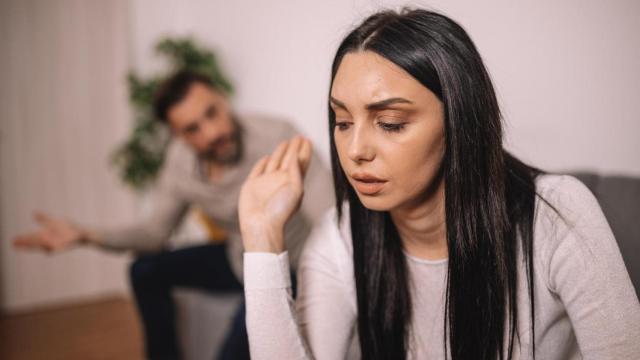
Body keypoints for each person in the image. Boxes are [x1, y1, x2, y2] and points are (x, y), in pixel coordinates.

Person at [238, 9, 640, 360]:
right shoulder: (340, 238)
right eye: (342, 122)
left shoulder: (556, 215)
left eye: (390, 123)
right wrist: (261, 241)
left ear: (458, 123)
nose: (355, 149)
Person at [13, 70, 333, 359]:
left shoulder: (278, 135)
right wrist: (85, 234)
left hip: (290, 264)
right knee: (145, 269)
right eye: (192, 129)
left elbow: (330, 220)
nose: (210, 133)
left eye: (212, 113)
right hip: (238, 257)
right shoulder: (180, 164)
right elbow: (154, 234)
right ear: (179, 135)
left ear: (223, 99)